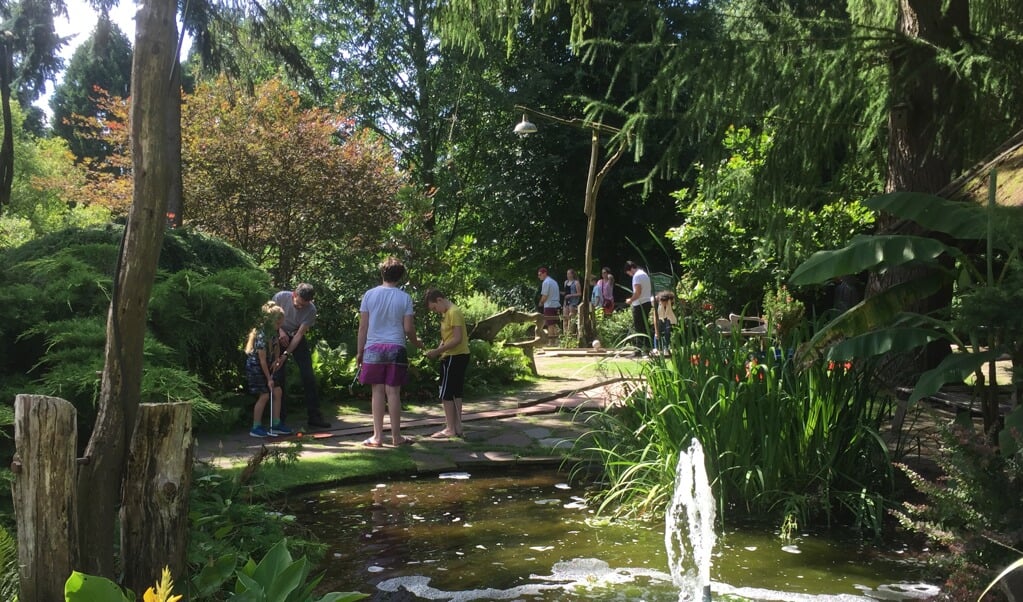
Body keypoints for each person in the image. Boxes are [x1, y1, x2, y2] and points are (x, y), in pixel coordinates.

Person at [357, 257, 424, 447]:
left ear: (382, 273)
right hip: (396, 347)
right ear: (400, 277)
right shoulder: (405, 298)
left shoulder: (369, 295)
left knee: (377, 391)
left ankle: (377, 437)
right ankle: (397, 437)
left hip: (373, 347)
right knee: (393, 393)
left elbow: (363, 327)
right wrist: (416, 342)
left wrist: (359, 351)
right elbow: (409, 328)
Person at [272, 283, 330, 429]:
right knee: (278, 375)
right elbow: (270, 318)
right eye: (298, 304)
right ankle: (279, 419)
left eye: (304, 305)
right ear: (294, 295)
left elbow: (299, 335)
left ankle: (314, 416)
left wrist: (286, 354)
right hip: (277, 333)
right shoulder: (280, 297)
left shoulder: (311, 310)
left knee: (308, 376)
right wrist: (280, 332)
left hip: (296, 337)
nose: (300, 308)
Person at [424, 289, 470, 439]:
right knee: (455, 392)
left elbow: (457, 339)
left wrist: (438, 352)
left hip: (454, 356)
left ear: (439, 300)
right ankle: (457, 426)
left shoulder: (453, 312)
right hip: (452, 355)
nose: (435, 311)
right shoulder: (447, 313)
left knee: (446, 393)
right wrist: (438, 350)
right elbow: (447, 337)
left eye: (434, 308)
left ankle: (450, 428)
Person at [245, 301, 292, 437]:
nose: (280, 326)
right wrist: (269, 378)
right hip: (256, 367)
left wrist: (277, 360)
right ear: (270, 321)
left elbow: (276, 346)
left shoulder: (273, 331)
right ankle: (256, 427)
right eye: (278, 324)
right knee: (265, 394)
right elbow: (262, 360)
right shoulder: (261, 335)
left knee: (277, 391)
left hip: (268, 364)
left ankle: (276, 424)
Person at [624, 260, 653, 353]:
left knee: (639, 328)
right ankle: (648, 347)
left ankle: (638, 349)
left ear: (631, 269)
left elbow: (637, 293)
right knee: (645, 326)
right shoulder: (644, 274)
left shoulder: (636, 276)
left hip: (639, 304)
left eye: (628, 273)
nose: (629, 275)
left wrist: (630, 300)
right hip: (647, 302)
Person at [537, 267, 561, 345]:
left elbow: (545, 295)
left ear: (544, 273)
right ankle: (557, 341)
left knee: (550, 324)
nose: (539, 276)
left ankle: (551, 342)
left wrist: (540, 303)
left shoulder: (546, 282)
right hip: (557, 305)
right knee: (555, 324)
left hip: (549, 305)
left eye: (540, 274)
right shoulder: (554, 282)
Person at [651, 292, 679, 356]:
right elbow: (655, 317)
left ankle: (666, 348)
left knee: (667, 332)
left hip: (668, 317)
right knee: (657, 332)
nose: (664, 304)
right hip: (659, 318)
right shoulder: (657, 303)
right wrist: (656, 330)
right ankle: (656, 349)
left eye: (666, 302)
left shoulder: (670, 302)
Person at [562, 269, 581, 335]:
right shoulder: (566, 282)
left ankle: (571, 334)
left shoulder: (576, 282)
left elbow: (579, 293)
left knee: (571, 319)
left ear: (572, 274)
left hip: (573, 302)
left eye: (569, 274)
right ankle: (565, 334)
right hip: (566, 302)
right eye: (567, 274)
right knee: (565, 318)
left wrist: (570, 295)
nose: (568, 275)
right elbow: (565, 292)